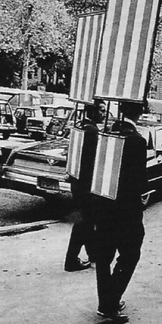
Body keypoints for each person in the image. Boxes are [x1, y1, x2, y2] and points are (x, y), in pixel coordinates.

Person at [94, 101, 147, 324]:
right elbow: (138, 182)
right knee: (130, 254)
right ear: (140, 112)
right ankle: (110, 304)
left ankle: (105, 302)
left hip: (103, 207)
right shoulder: (137, 141)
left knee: (104, 258)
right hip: (127, 212)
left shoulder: (106, 133)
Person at [64, 100, 106, 272]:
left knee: (88, 220)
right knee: (84, 222)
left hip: (77, 182)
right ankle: (71, 260)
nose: (104, 113)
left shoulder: (80, 126)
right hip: (87, 184)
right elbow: (92, 161)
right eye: (102, 110)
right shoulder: (92, 131)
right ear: (93, 111)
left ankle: (93, 254)